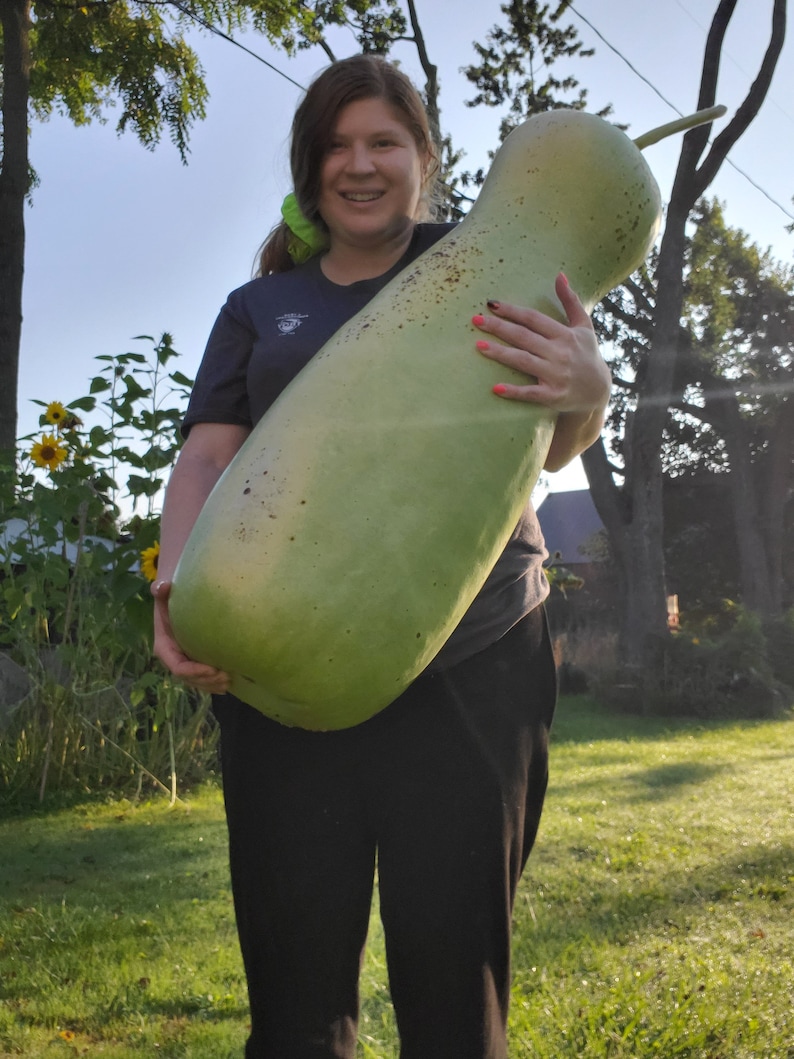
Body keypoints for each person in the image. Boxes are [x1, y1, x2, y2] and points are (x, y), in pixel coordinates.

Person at [153, 54, 611, 1059]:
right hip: (280, 655)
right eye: (335, 146)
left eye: (382, 144)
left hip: (476, 653)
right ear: (309, 168)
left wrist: (591, 387)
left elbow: (551, 439)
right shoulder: (258, 306)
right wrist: (172, 582)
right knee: (294, 987)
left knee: (454, 982)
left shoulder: (496, 261)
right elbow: (208, 453)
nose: (357, 166)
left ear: (423, 161)